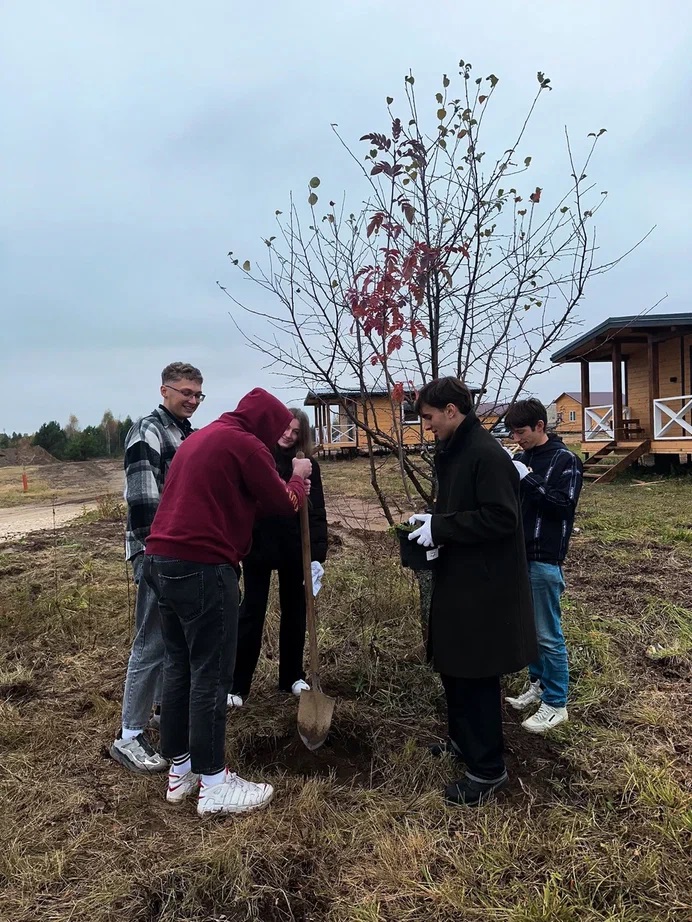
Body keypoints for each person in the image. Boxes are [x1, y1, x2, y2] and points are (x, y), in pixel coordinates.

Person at [143, 388, 312, 817]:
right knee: (212, 675)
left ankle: (180, 773)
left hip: (161, 561)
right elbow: (282, 504)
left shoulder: (201, 438)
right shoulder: (245, 444)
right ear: (263, 424)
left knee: (179, 667)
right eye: (276, 431)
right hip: (203, 566)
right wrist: (297, 475)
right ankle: (215, 783)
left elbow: (227, 498)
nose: (276, 440)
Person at [408, 377, 537, 806]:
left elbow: (502, 518)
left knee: (477, 673)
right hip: (461, 579)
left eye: (428, 417)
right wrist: (430, 523)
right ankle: (463, 742)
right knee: (456, 665)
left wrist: (442, 527)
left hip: (485, 586)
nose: (426, 426)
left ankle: (487, 770)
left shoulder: (484, 453)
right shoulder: (456, 450)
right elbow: (466, 509)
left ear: (451, 410)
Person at [110, 362, 204, 774]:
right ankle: (129, 735)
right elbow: (143, 495)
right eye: (185, 392)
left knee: (174, 638)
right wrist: (152, 552)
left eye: (198, 394)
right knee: (150, 639)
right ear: (164, 390)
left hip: (180, 552)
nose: (192, 399)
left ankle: (163, 713)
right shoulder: (148, 430)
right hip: (156, 552)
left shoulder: (190, 435)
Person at [229, 409, 327, 707]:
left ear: (303, 436)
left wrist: (317, 557)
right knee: (251, 613)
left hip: (294, 549)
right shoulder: (260, 459)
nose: (288, 435)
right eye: (285, 428)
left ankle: (292, 677)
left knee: (295, 611)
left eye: (296, 432)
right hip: (258, 548)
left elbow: (317, 511)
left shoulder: (309, 466)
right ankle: (238, 683)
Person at [503, 398, 583, 733]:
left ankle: (556, 703)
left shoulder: (567, 461)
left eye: (521, 431)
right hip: (516, 555)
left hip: (544, 557)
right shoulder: (522, 458)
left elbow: (562, 506)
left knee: (548, 633)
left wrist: (528, 479)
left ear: (540, 426)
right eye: (512, 432)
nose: (516, 438)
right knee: (527, 627)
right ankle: (538, 685)